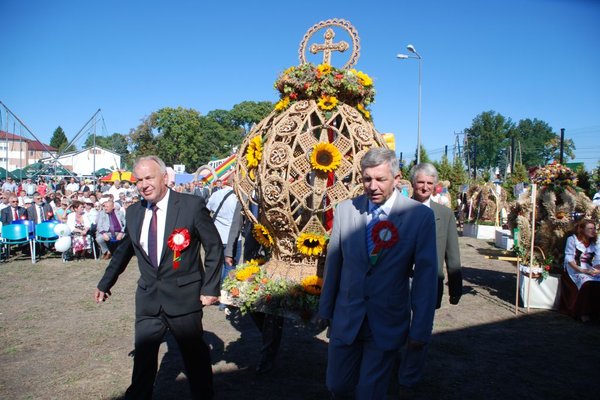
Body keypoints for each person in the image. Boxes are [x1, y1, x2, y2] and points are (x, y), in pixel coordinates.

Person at [94, 155, 223, 399]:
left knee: (195, 363)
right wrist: (105, 283)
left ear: (165, 178)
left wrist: (211, 288)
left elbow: (214, 246)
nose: (143, 184)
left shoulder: (190, 206)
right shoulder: (133, 213)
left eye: (149, 178)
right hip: (148, 299)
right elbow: (123, 252)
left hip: (184, 298)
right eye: (138, 180)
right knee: (143, 363)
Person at [318, 148, 438, 399]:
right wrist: (325, 310)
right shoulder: (345, 210)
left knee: (370, 392)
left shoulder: (419, 217)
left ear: (397, 178)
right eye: (366, 179)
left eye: (380, 179)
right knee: (336, 386)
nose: (372, 186)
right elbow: (334, 262)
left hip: (387, 321)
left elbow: (426, 279)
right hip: (347, 318)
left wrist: (420, 330)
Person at [394, 163, 463, 389]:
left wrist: (456, 287)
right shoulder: (398, 210)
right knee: (395, 328)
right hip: (399, 282)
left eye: (429, 183)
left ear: (435, 186)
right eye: (421, 182)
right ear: (413, 183)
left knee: (421, 332)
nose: (424, 187)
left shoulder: (444, 214)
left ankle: (408, 381)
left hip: (430, 283)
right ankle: (392, 372)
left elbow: (452, 252)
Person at [561, 219, 600, 322]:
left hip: (589, 267)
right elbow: (569, 260)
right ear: (582, 230)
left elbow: (598, 258)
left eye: (594, 228)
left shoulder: (596, 241)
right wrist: (583, 271)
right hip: (574, 269)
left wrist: (597, 270)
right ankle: (584, 313)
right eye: (590, 229)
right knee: (587, 283)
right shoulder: (572, 239)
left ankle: (596, 313)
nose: (593, 231)